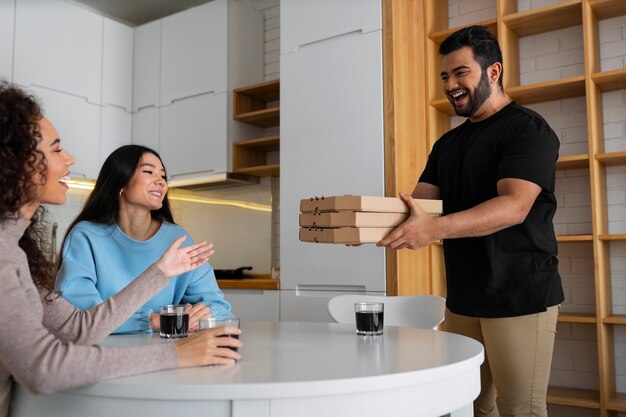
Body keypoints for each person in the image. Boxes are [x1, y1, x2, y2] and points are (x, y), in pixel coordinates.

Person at [0, 82, 242, 417]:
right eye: (57, 149)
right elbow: (46, 366)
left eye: (164, 175)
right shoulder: (11, 254)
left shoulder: (14, 251)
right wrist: (177, 351)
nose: (70, 158)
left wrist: (161, 273)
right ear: (16, 162)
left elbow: (76, 328)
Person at [378, 26, 564, 417]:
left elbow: (513, 206)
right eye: (445, 75)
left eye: (460, 72)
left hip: (519, 296)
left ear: (493, 72)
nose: (450, 84)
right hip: (464, 297)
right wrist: (364, 227)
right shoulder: (447, 144)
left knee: (521, 410)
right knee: (467, 406)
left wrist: (434, 230)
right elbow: (420, 209)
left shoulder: (527, 129)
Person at [54, 144, 232, 334]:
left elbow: (220, 309)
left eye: (163, 176)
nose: (161, 181)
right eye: (149, 172)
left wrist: (205, 314)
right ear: (120, 182)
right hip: (101, 351)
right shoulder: (86, 236)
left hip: (164, 351)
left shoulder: (179, 239)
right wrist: (154, 321)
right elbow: (79, 313)